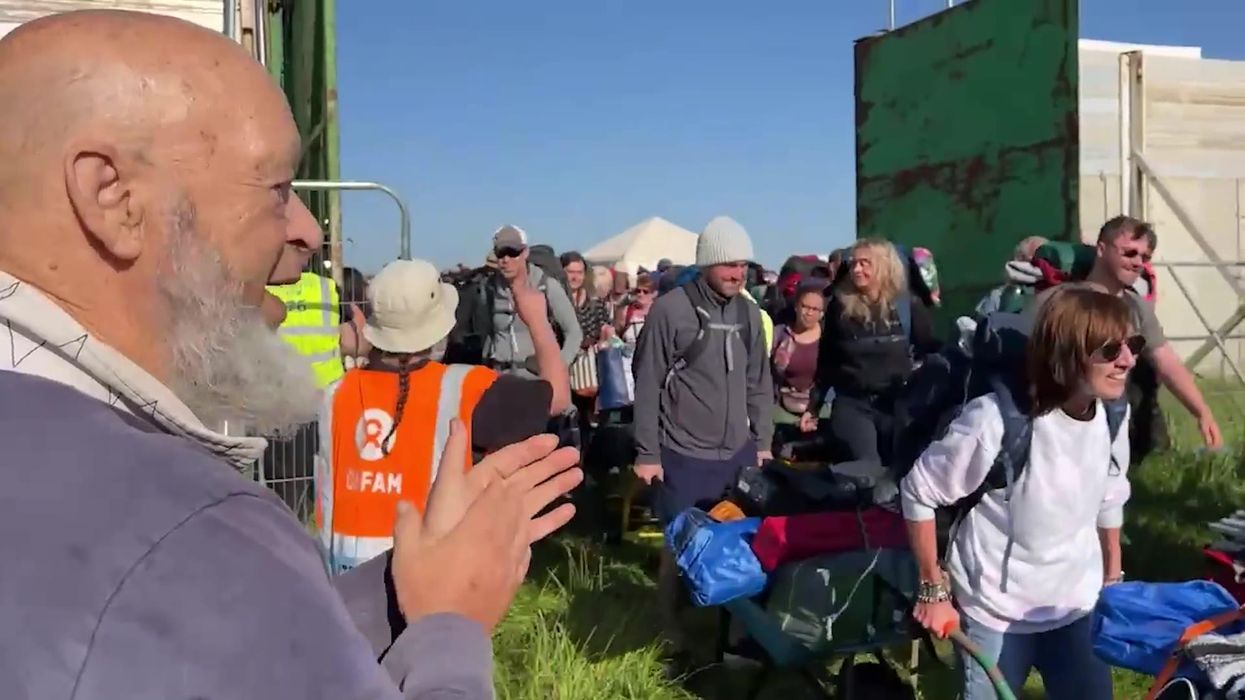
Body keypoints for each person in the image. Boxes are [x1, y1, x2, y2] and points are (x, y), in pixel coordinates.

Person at [0, 11, 581, 699]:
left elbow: (243, 651)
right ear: (113, 197)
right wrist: (449, 627)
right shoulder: (183, 528)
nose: (307, 231)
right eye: (277, 189)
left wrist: (394, 592)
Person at [902, 287, 1136, 700]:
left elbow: (1110, 497)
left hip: (1076, 606)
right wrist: (933, 591)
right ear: (1066, 354)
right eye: (1110, 349)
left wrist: (1112, 580)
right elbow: (919, 492)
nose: (1128, 360)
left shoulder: (1114, 414)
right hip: (995, 611)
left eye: (1132, 345)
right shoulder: (994, 421)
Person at [317, 258, 571, 572]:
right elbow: (558, 397)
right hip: (429, 575)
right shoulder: (466, 387)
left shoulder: (335, 393)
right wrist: (537, 321)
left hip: (340, 576)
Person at [632, 216, 773, 667]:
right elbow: (649, 383)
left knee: (738, 544)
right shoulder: (670, 310)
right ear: (708, 262)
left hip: (736, 452)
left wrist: (763, 440)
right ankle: (669, 629)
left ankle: (733, 636)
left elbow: (759, 382)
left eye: (743, 266)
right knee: (680, 545)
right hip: (683, 451)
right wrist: (647, 452)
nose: (738, 273)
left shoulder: (749, 312)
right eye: (729, 264)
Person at [1021, 216, 1221, 453]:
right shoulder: (1058, 302)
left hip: (1110, 424)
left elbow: (1166, 361)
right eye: (1129, 253)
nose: (1138, 262)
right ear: (1102, 249)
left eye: (1145, 257)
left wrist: (1202, 412)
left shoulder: (1136, 306)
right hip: (1053, 427)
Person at [803, 238, 939, 464]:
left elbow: (929, 351)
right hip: (852, 404)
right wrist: (813, 406)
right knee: (866, 467)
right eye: (854, 263)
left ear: (884, 265)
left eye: (865, 263)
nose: (857, 269)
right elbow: (827, 360)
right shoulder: (839, 307)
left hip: (895, 406)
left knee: (897, 470)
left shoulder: (908, 305)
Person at [486, 225, 582, 376]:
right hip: (499, 377)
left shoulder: (546, 285)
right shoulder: (490, 289)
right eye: (500, 254)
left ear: (525, 252)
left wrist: (558, 367)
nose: (506, 260)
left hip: (536, 377)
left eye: (512, 253)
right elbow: (489, 334)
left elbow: (574, 332)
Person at [770, 281, 829, 455]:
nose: (809, 312)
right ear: (796, 306)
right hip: (781, 407)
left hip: (821, 409)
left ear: (822, 313)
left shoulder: (829, 339)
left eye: (815, 309)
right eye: (805, 306)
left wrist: (814, 410)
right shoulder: (778, 334)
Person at [974, 235, 1048, 319]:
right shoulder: (999, 296)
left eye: (1025, 259)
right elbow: (984, 325)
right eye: (1017, 257)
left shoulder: (1059, 299)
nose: (1016, 263)